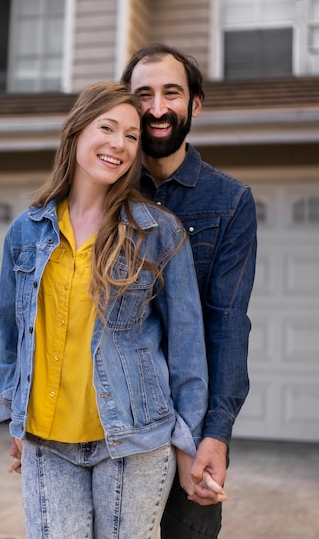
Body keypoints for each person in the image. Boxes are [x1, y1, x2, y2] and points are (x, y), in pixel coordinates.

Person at [0, 82, 223, 539]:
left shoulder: (157, 232)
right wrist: (14, 414)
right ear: (77, 131)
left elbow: (187, 351)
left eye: (132, 136)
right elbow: (12, 335)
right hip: (46, 441)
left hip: (134, 441)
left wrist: (187, 446)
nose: (119, 144)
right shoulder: (27, 231)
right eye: (108, 128)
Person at [121, 43, 257, 539]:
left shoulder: (230, 202)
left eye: (171, 93)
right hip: (114, 419)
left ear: (194, 104)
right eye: (143, 95)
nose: (157, 109)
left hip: (192, 418)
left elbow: (228, 322)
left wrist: (217, 433)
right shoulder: (103, 191)